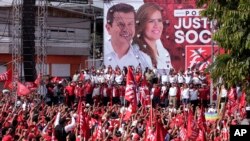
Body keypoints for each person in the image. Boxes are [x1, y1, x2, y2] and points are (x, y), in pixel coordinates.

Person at [104, 3, 152, 70]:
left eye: (130, 24)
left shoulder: (145, 59)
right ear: (108, 28)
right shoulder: (100, 56)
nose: (126, 29)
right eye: (121, 24)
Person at [133, 3, 173, 70]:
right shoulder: (136, 52)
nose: (156, 25)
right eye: (151, 21)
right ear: (142, 24)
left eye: (159, 20)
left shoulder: (163, 51)